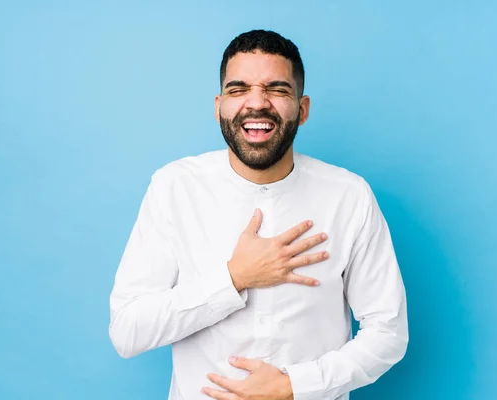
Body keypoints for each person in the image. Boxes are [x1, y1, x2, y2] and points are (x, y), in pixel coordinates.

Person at [109, 29, 408, 400]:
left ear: (303, 109)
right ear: (218, 106)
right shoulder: (174, 187)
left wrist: (295, 386)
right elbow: (127, 331)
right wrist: (234, 277)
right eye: (239, 89)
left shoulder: (349, 196)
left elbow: (388, 333)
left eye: (277, 89)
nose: (257, 103)